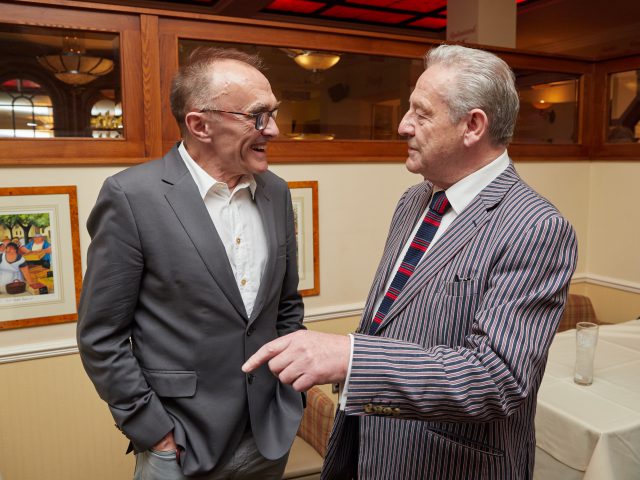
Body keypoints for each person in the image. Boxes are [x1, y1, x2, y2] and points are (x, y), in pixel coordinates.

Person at [243, 44, 578, 479]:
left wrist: (351, 356)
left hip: (449, 464)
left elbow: (496, 380)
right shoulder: (415, 199)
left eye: (421, 114)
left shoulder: (536, 227)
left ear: (473, 126)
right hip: (370, 448)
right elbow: (393, 321)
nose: (403, 126)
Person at [77, 47, 305, 479]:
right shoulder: (132, 197)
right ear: (200, 124)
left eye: (273, 113)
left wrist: (291, 395)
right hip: (180, 443)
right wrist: (155, 433)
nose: (272, 129)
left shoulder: (277, 192)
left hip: (269, 433)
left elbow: (286, 307)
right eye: (258, 116)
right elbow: (101, 335)